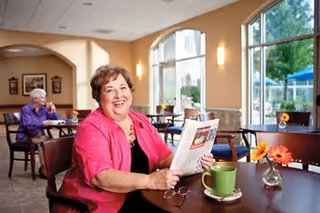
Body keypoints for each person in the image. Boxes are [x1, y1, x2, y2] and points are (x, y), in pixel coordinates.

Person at [54, 65, 214, 213]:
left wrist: (193, 161)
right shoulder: (91, 127)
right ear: (98, 97)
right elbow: (100, 177)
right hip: (99, 205)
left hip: (142, 196)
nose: (119, 95)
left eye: (123, 88)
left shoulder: (141, 120)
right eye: (110, 90)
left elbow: (164, 156)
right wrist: (150, 181)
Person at [17, 88, 60, 177]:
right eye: (42, 98)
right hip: (26, 136)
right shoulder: (26, 109)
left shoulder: (44, 109)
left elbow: (57, 120)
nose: (44, 100)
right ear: (34, 99)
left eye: (44, 97)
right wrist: (42, 123)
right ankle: (44, 169)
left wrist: (54, 110)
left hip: (40, 136)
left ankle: (48, 167)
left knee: (53, 142)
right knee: (43, 143)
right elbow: (27, 125)